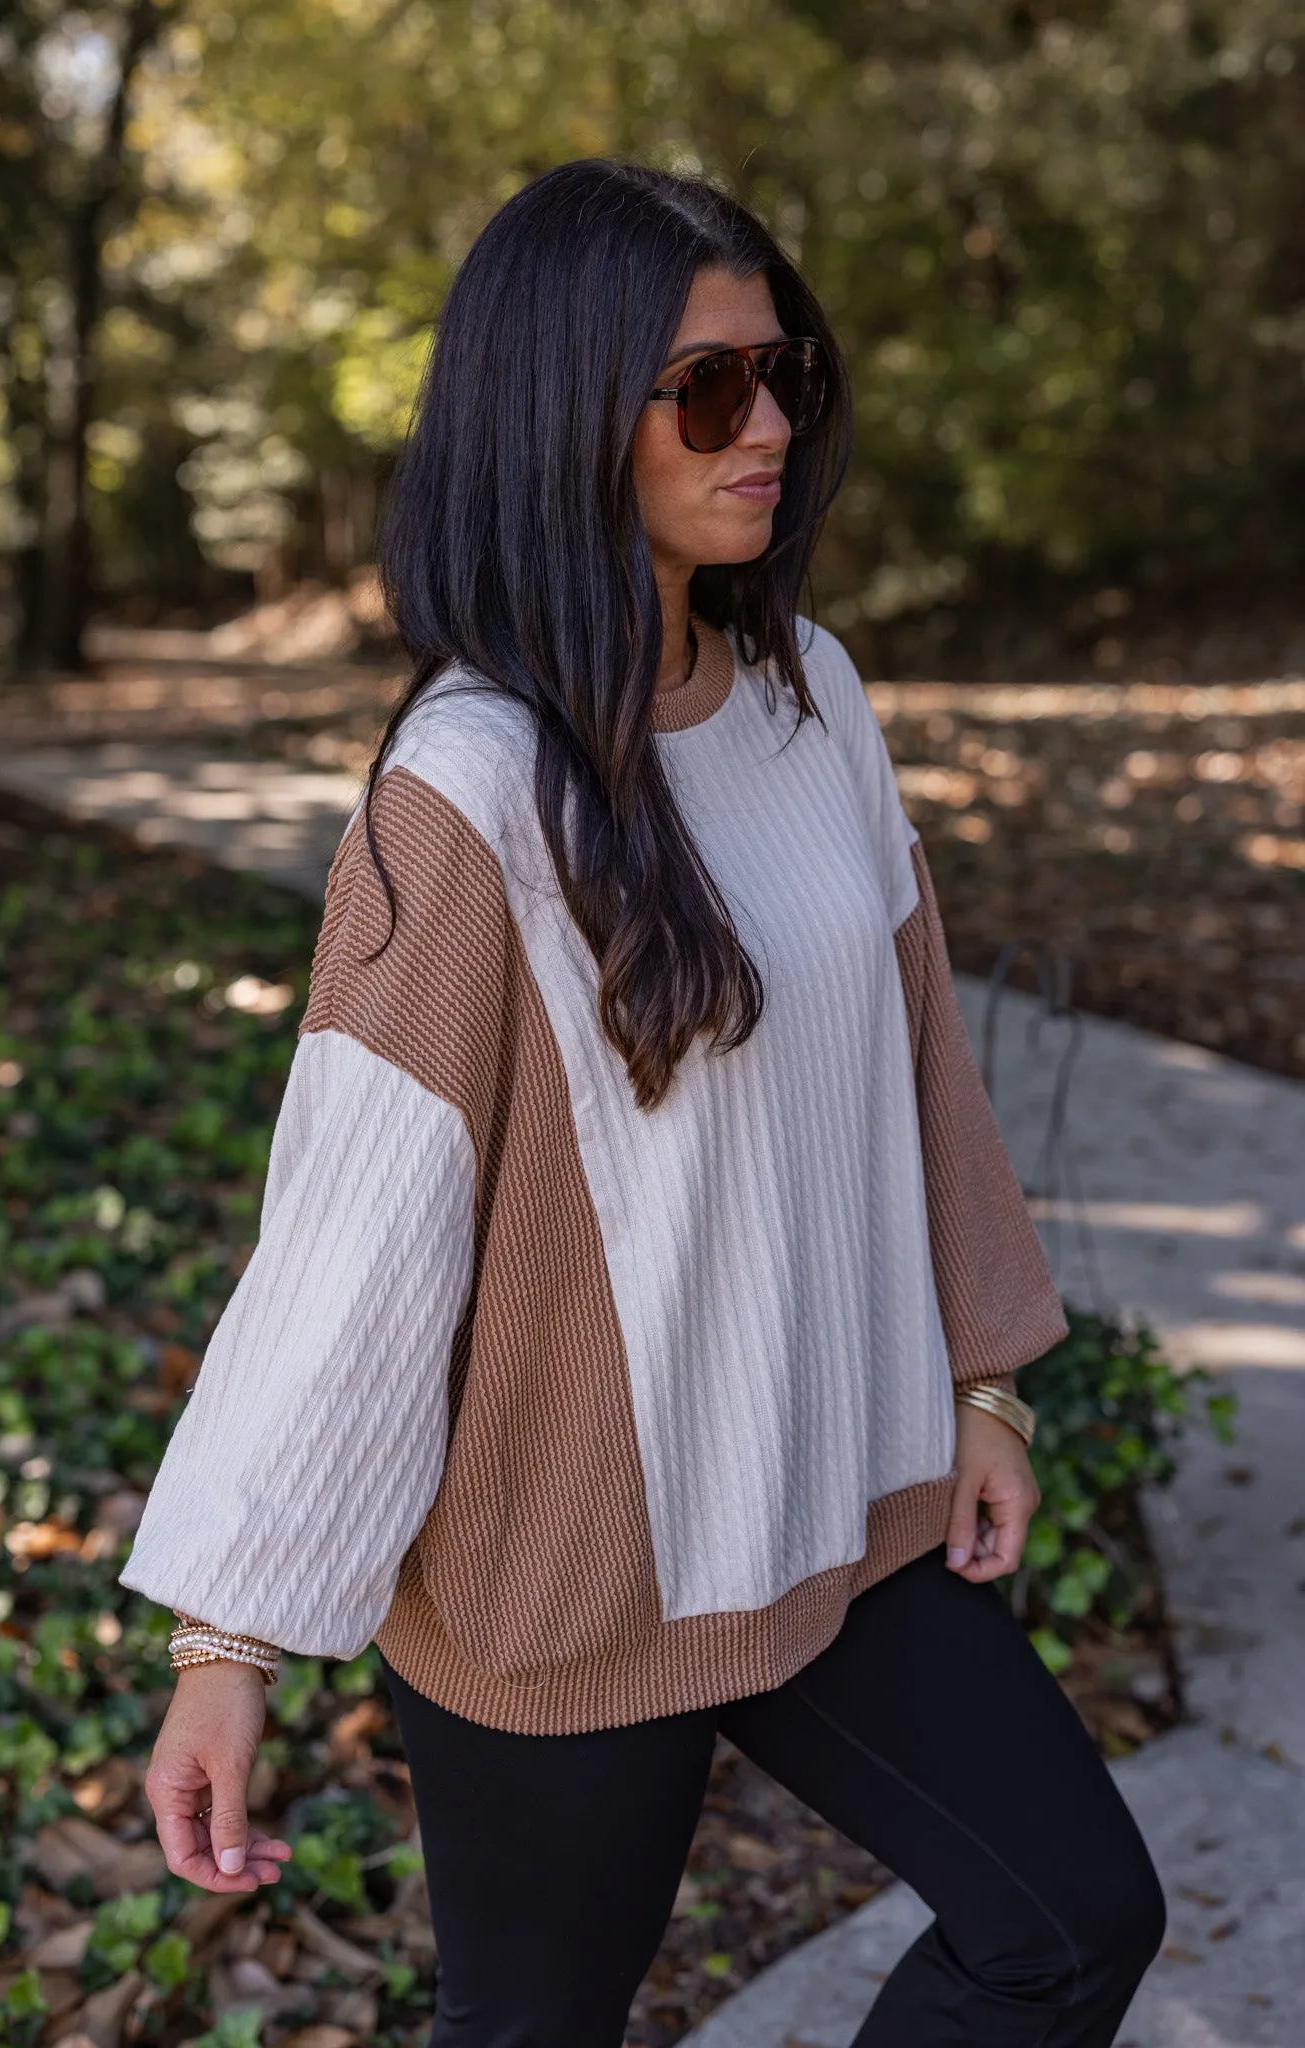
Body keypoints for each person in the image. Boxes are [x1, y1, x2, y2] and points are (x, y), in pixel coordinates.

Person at [124, 159, 1165, 2047]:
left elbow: (915, 1050)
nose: (764, 424)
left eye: (787, 374)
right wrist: (232, 1642)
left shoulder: (806, 695)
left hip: (836, 1496)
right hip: (572, 1562)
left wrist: (983, 1375)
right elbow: (351, 1237)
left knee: (1071, 1920)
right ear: (557, 417)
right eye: (704, 387)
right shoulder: (466, 791)